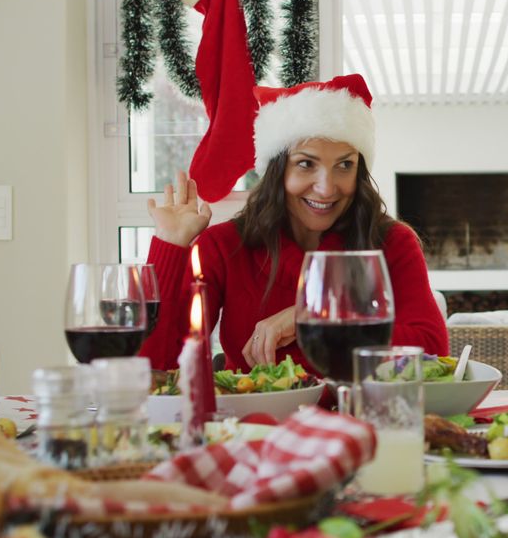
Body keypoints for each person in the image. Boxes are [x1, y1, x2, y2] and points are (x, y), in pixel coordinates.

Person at [139, 73, 449, 375]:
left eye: (344, 165)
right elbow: (158, 366)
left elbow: (433, 349)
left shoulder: (391, 242)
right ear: (277, 170)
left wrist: (313, 320)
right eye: (306, 164)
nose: (327, 188)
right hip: (252, 425)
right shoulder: (223, 247)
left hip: (361, 417)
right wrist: (170, 246)